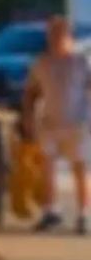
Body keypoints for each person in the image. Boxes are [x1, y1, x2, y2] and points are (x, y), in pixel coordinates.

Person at [21, 16, 91, 234]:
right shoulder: (41, 63)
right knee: (48, 168)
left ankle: (83, 214)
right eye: (52, 34)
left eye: (60, 34)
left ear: (69, 37)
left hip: (77, 122)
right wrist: (28, 117)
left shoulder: (82, 62)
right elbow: (31, 92)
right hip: (50, 123)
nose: (56, 38)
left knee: (80, 168)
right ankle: (50, 211)